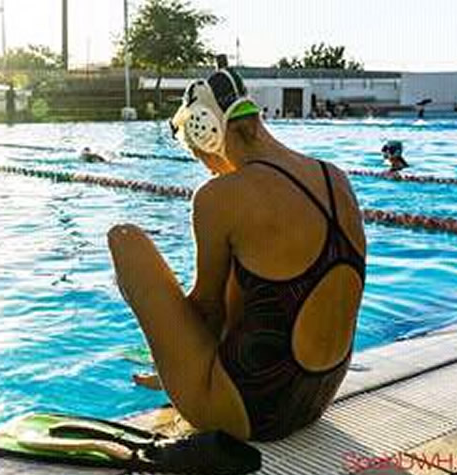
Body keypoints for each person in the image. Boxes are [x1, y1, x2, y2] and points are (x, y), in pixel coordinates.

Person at [108, 65, 366, 442]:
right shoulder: (334, 177)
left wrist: (172, 360)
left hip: (251, 412)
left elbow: (209, 311)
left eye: (194, 150)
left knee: (125, 239)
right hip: (316, 398)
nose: (203, 164)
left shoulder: (220, 197)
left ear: (204, 129)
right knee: (247, 270)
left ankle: (193, 385)